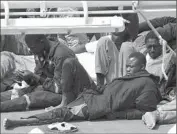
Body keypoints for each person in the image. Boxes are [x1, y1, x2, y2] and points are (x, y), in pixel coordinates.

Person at [3, 52, 162, 129]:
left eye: (131, 67)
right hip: (96, 93)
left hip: (98, 106)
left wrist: (119, 114)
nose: (127, 69)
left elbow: (144, 110)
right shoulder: (131, 77)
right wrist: (94, 86)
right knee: (71, 62)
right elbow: (110, 90)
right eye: (126, 66)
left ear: (142, 67)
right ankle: (64, 101)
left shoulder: (147, 84)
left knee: (61, 114)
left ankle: (19, 122)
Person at [0, 34, 96, 112]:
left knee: (34, 96)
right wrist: (27, 78)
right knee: (19, 91)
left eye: (32, 47)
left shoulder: (61, 54)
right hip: (49, 87)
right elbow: (38, 80)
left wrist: (34, 77)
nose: (31, 50)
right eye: (29, 48)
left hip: (69, 93)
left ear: (42, 41)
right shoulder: (39, 51)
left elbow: (59, 88)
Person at [72, 8, 139, 87]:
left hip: (123, 85)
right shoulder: (105, 42)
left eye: (118, 33)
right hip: (102, 83)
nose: (116, 37)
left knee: (126, 47)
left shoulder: (130, 46)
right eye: (114, 33)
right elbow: (83, 48)